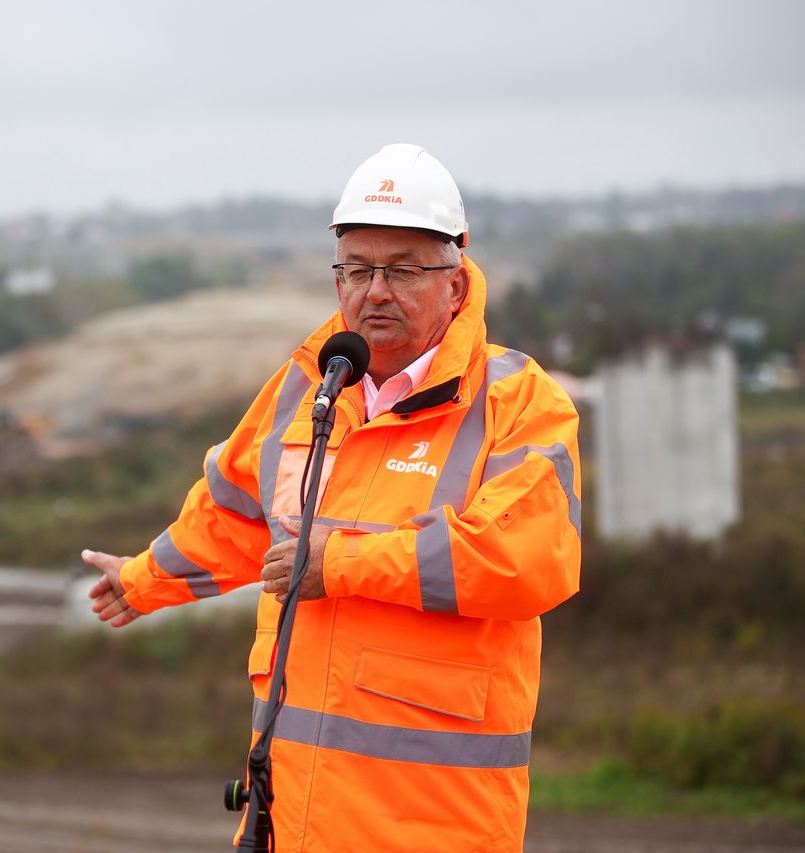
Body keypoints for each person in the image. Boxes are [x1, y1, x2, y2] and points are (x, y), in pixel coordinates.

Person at [82, 143, 581, 852]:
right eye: (357, 268)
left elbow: (523, 558)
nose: (375, 290)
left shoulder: (520, 404)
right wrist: (141, 580)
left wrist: (338, 565)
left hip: (435, 826)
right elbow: (236, 512)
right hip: (289, 819)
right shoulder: (311, 386)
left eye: (403, 270)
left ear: (457, 282)